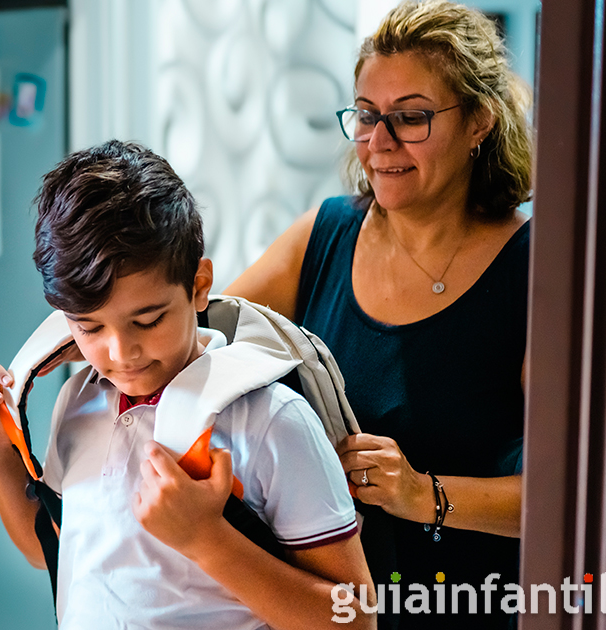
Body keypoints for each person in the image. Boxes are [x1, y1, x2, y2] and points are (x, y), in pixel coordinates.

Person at [0, 140, 375, 629]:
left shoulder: (270, 420)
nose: (120, 353)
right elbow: (50, 550)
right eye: (89, 328)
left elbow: (356, 621)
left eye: (148, 320)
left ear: (198, 286)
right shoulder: (79, 400)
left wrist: (206, 541)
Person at [226, 2, 533, 628]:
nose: (379, 143)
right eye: (366, 117)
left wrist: (421, 493)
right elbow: (197, 347)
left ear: (480, 122)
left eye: (411, 118)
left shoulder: (533, 272)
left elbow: (568, 495)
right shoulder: (324, 235)